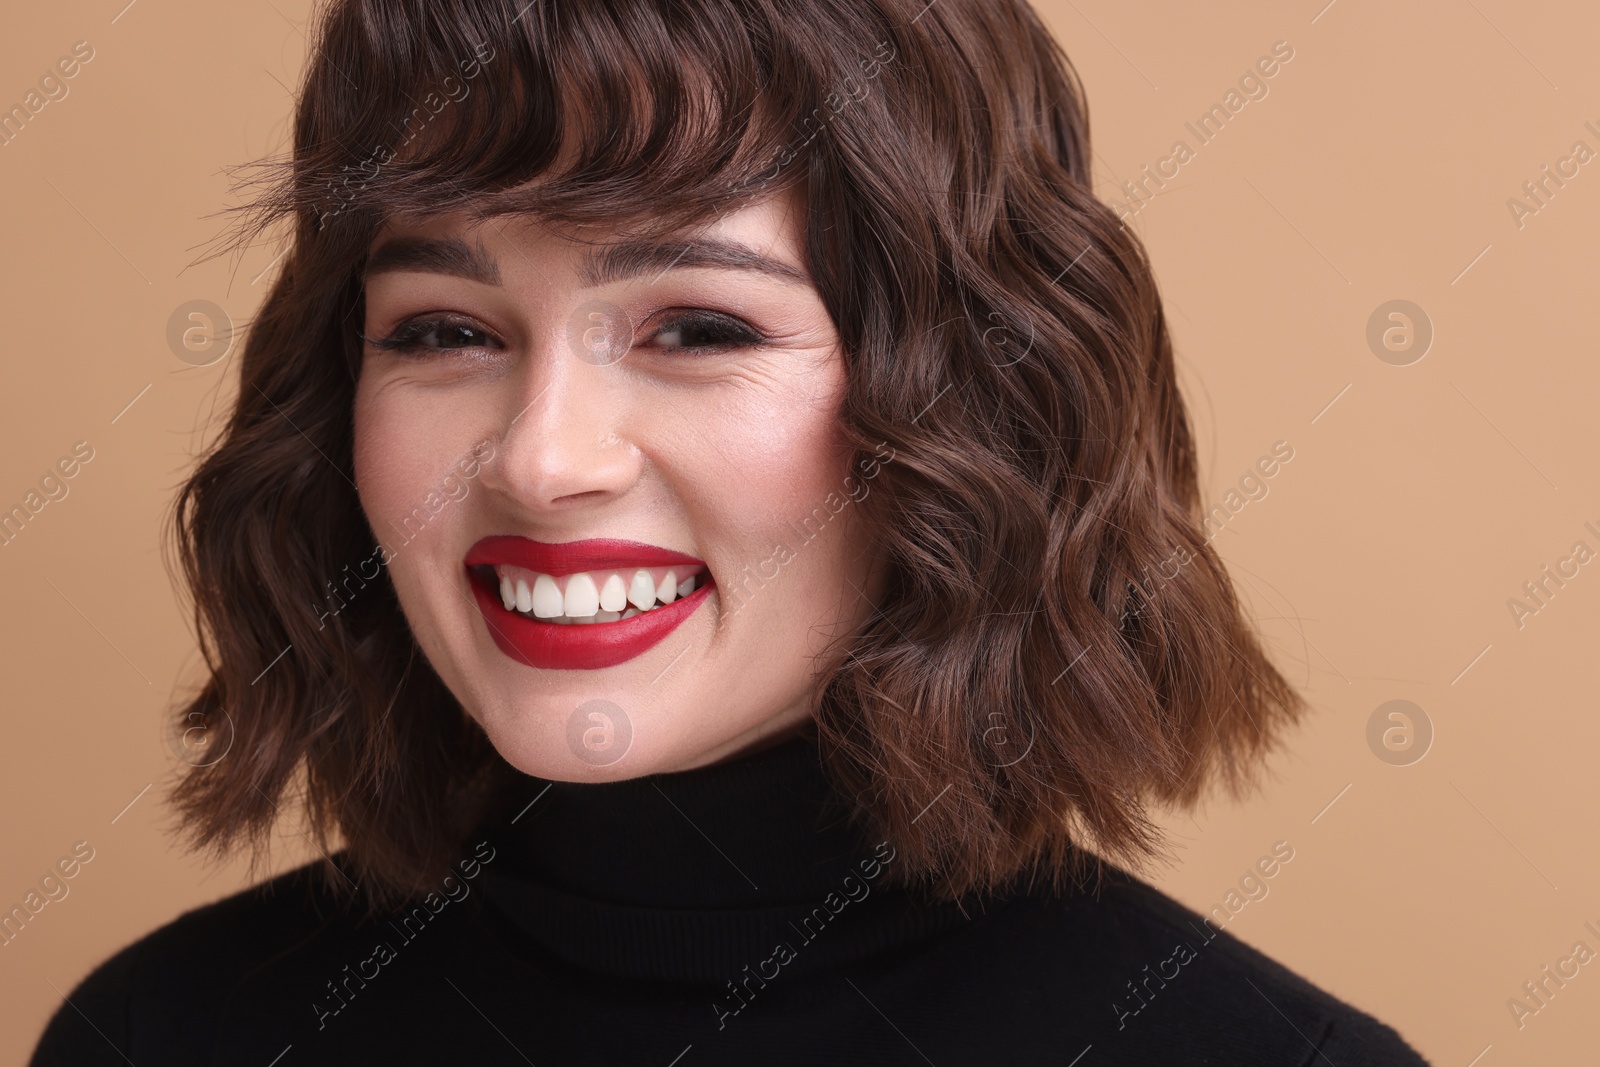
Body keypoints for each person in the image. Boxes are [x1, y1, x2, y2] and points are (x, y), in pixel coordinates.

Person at [32, 0, 1430, 1063]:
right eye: (447, 331)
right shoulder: (163, 1037)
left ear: (970, 401)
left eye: (698, 326)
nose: (540, 458)